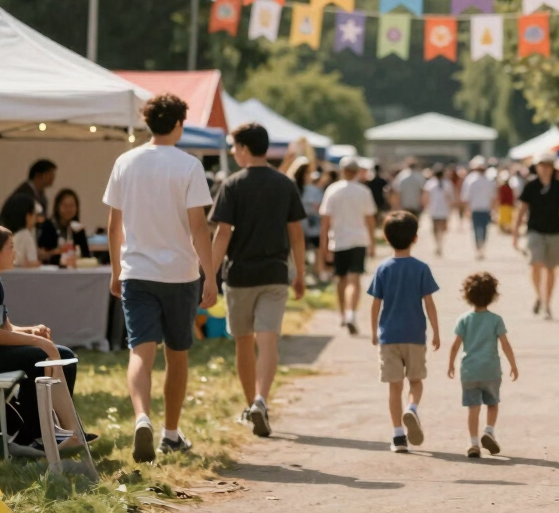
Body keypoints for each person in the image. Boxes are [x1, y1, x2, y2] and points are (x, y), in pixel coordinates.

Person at [103, 93, 217, 463]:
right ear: (179, 124)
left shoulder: (125, 162)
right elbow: (199, 226)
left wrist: (116, 271)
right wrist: (210, 276)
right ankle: (171, 433)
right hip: (180, 274)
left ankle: (141, 417)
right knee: (177, 354)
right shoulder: (188, 166)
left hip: (137, 271)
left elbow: (113, 225)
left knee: (140, 350)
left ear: (148, 123)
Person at [210, 123, 306, 437]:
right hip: (276, 273)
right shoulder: (285, 184)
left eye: (234, 147)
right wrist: (301, 273)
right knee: (268, 340)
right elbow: (296, 234)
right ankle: (261, 400)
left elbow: (223, 233)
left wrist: (209, 275)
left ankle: (251, 402)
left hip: (239, 275)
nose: (233, 152)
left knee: (243, 342)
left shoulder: (232, 185)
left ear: (244, 149)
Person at [0, 224, 89, 457]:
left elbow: (6, 327)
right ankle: (41, 435)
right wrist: (40, 344)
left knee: (66, 355)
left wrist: (32, 332)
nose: (15, 253)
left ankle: (54, 429)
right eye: (11, 248)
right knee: (40, 356)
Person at [367, 211, 441, 453]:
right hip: (415, 334)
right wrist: (436, 332)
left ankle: (398, 436)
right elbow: (429, 303)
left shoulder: (383, 268)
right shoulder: (421, 268)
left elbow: (375, 304)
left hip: (389, 336)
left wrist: (373, 331)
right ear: (416, 238)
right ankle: (413, 409)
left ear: (386, 239)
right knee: (416, 381)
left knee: (394, 386)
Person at [447, 271, 518, 459]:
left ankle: (473, 443)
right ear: (493, 295)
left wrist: (450, 365)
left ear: (467, 295)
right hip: (491, 370)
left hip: (469, 371)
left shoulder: (463, 319)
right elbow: (505, 344)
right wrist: (513, 365)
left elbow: (455, 346)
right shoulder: (496, 320)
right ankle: (489, 431)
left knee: (473, 408)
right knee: (492, 404)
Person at [320, 157, 377, 335]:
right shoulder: (363, 191)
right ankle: (352, 313)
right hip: (359, 239)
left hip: (338, 240)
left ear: (342, 171)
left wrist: (324, 247)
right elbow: (370, 219)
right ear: (357, 172)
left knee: (341, 279)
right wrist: (372, 242)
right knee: (355, 280)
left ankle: (343, 314)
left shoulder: (332, 190)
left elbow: (326, 222)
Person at [513, 151, 559, 320]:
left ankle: (547, 303)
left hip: (555, 231)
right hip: (535, 231)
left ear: (552, 168)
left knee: (551, 268)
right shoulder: (530, 186)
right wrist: (516, 233)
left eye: (548, 165)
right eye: (542, 165)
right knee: (536, 264)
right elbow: (522, 209)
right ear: (537, 167)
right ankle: (539, 295)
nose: (545, 169)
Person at [39, 189, 91, 266]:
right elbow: (41, 254)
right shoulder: (48, 226)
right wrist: (58, 251)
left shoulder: (78, 229)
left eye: (72, 206)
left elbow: (86, 255)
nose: (68, 209)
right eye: (65, 206)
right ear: (57, 207)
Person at [461, 156, 498, 259]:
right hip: (482, 208)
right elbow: (493, 197)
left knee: (478, 229)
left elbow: (466, 197)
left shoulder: (471, 179)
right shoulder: (487, 180)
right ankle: (481, 249)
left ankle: (479, 249)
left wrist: (466, 209)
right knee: (482, 229)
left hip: (478, 208)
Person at [3, 159, 56, 225]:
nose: (53, 177)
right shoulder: (23, 193)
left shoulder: (41, 195)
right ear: (38, 175)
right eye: (49, 174)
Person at [0, 193, 41, 268]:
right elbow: (31, 262)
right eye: (34, 214)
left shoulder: (6, 236)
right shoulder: (25, 235)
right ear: (28, 216)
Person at [422, 167, 455, 258]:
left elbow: (450, 197)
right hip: (434, 209)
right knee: (435, 228)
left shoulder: (447, 183)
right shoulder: (430, 183)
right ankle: (438, 243)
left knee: (442, 228)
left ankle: (440, 242)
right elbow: (426, 196)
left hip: (443, 210)